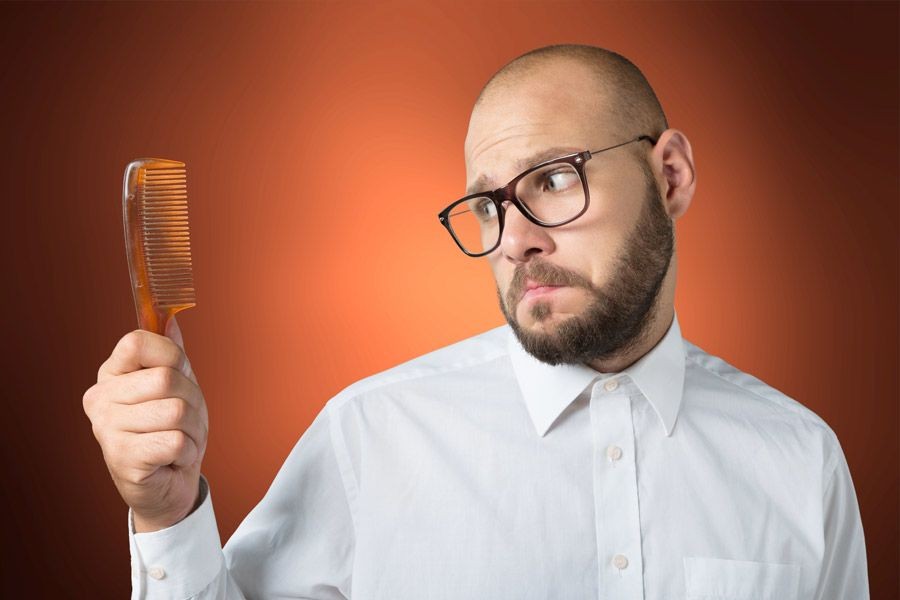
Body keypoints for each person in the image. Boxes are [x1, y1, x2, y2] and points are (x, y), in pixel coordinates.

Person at [82, 44, 869, 599]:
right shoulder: (371, 437)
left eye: (555, 178)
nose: (515, 237)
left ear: (670, 174)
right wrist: (167, 515)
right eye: (488, 204)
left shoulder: (801, 461)